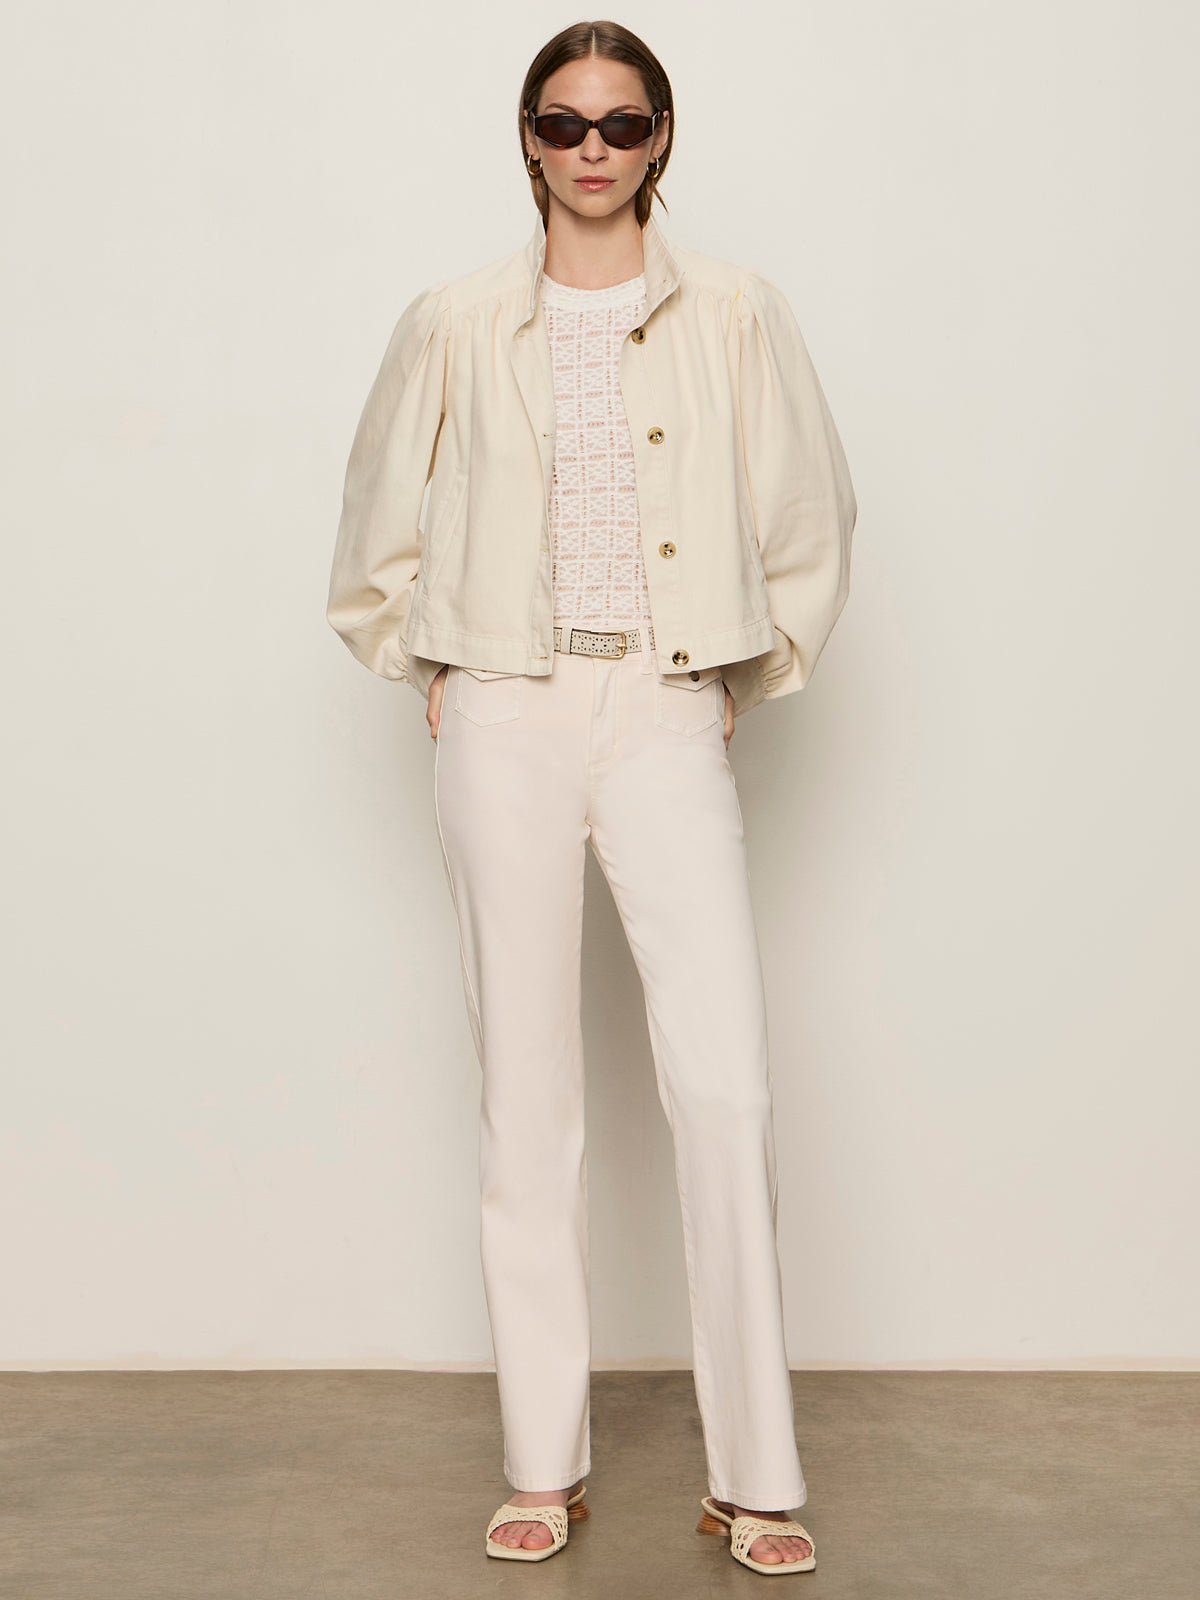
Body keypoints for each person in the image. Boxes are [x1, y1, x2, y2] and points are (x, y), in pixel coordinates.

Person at [327, 19, 856, 1577]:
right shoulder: (454, 319)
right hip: (505, 705)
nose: (593, 150)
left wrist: (739, 678)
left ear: (662, 136)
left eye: (622, 123)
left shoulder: (740, 312)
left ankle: (755, 1477)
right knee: (529, 1097)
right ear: (528, 139)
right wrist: (432, 667)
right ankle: (540, 1464)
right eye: (564, 123)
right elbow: (372, 531)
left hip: (666, 706)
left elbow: (812, 516)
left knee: (727, 1086)